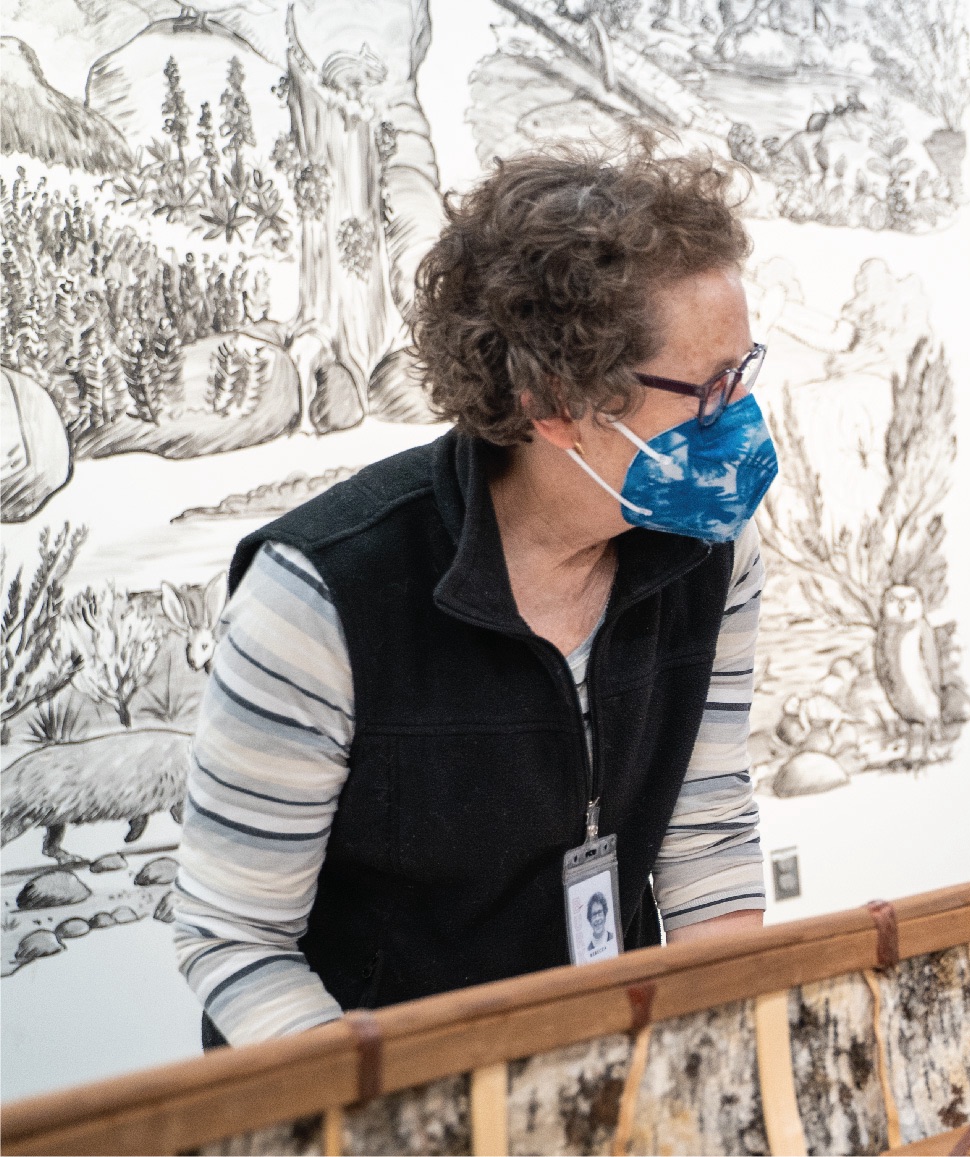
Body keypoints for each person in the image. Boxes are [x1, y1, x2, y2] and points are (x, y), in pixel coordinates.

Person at [172, 143, 777, 1045]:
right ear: (556, 402)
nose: (737, 417)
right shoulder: (319, 597)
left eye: (744, 372)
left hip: (594, 1064)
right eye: (707, 389)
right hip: (362, 1092)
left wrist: (723, 1065)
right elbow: (235, 936)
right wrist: (391, 1122)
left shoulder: (712, 552)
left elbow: (704, 832)